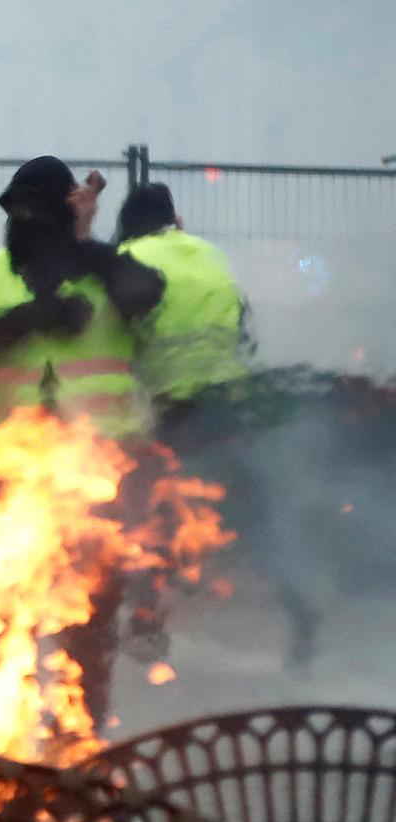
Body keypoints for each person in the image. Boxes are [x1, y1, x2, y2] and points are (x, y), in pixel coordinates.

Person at [0, 155, 163, 727]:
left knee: (89, 615)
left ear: (66, 212)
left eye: (38, 209)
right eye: (16, 209)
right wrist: (33, 315)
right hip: (11, 473)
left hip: (96, 473)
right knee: (7, 609)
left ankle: (81, 734)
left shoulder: (102, 269)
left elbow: (146, 294)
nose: (24, 219)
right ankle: (1, 730)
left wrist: (87, 248)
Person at [116, 182, 316, 666]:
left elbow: (120, 340)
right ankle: (301, 616)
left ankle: (147, 624)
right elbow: (243, 327)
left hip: (178, 410)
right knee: (256, 517)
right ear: (175, 219)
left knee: (151, 515)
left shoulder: (128, 257)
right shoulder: (209, 253)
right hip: (231, 405)